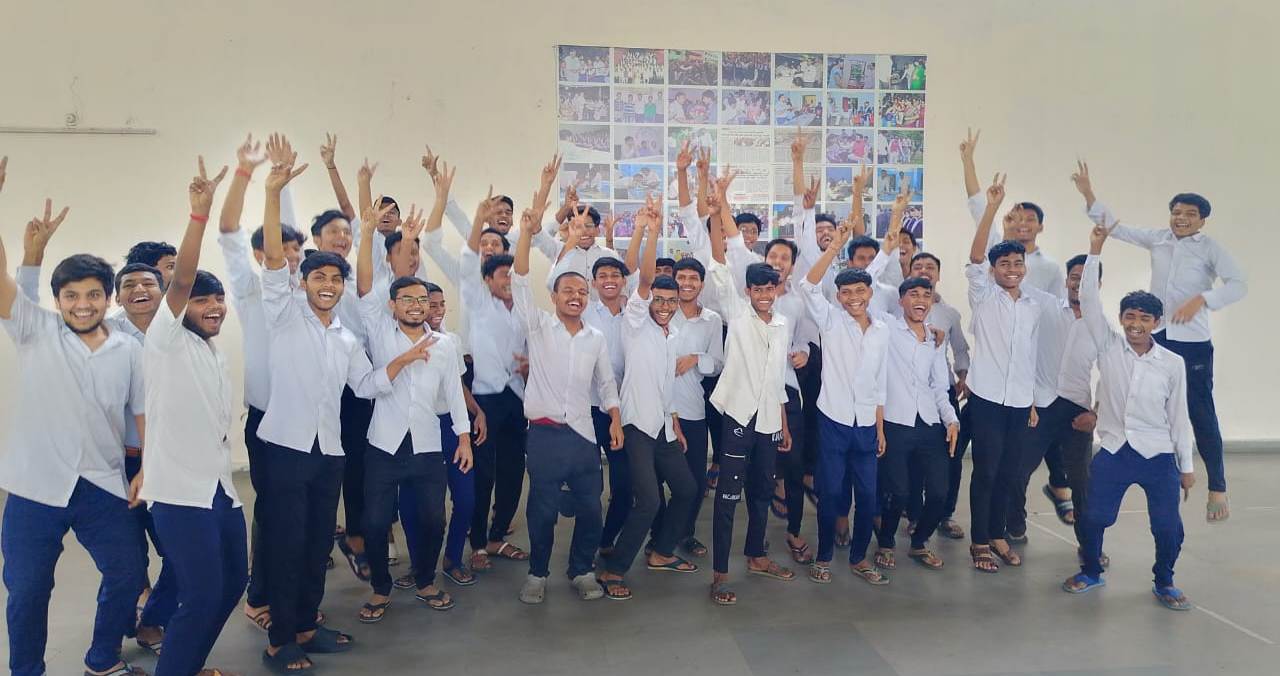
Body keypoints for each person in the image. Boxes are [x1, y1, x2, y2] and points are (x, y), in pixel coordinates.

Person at [254, 134, 405, 673]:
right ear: (302, 283)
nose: (328, 284)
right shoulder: (284, 314)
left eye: (334, 278)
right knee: (287, 544)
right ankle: (279, 641)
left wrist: (407, 360)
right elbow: (275, 262)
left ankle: (305, 625)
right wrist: (273, 193)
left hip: (329, 453)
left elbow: (366, 385)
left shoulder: (344, 336)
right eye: (317, 276)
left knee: (318, 541)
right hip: (286, 450)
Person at [1, 194, 149, 676]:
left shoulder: (128, 350)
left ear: (108, 298)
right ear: (58, 299)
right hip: (35, 487)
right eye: (71, 296)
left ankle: (102, 660)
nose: (82, 305)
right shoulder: (36, 331)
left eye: (92, 295)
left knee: (127, 574)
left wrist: (147, 467)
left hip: (101, 483)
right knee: (27, 589)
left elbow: (142, 411)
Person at [1073, 161, 1247, 522]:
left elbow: (1238, 284)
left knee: (1199, 411)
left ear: (1202, 221)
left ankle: (1217, 486)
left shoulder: (1210, 248)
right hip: (1160, 334)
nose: (1181, 218)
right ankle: (1135, 448)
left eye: (1190, 214)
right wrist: (1089, 193)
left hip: (1193, 341)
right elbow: (1116, 228)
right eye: (1176, 212)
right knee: (1137, 390)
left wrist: (1203, 299)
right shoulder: (1159, 238)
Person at [137, 157, 249, 676]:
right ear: (181, 307)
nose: (215, 307)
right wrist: (199, 216)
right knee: (201, 594)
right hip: (179, 495)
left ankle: (186, 665)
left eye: (219, 299)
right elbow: (180, 279)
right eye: (202, 300)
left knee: (232, 584)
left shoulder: (211, 351)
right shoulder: (166, 339)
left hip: (220, 490)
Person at [1062, 224, 1196, 612]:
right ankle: (1090, 570)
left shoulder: (1172, 363)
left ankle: (1165, 580)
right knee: (1093, 518)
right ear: (1121, 319)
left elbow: (1179, 416)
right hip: (1115, 451)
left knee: (1168, 527)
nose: (1136, 324)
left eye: (1144, 318)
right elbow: (1089, 300)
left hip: (1158, 455)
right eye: (1130, 316)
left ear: (1157, 322)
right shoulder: (1109, 347)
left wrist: (1186, 467)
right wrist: (1095, 249)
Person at [356, 193, 474, 621]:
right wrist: (379, 235)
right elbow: (366, 286)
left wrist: (463, 438)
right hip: (383, 445)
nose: (415, 305)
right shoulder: (379, 329)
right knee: (374, 522)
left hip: (427, 446)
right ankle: (380, 588)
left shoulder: (443, 344)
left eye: (422, 300)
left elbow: (454, 391)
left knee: (432, 521)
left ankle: (425, 580)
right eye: (406, 299)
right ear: (393, 305)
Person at [214, 133, 307, 632]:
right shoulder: (251, 288)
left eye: (296, 249)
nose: (290, 255)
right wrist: (248, 175)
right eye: (280, 248)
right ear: (261, 254)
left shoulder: (310, 292)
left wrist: (283, 185)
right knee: (271, 511)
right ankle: (259, 594)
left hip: (309, 419)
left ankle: (294, 592)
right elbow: (229, 229)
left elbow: (289, 232)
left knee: (300, 512)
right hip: (268, 417)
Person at [511, 201, 623, 605]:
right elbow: (519, 281)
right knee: (541, 511)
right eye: (568, 291)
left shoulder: (595, 337)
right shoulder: (539, 326)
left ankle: (582, 569)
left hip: (582, 434)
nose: (575, 297)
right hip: (544, 435)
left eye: (581, 292)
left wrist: (614, 417)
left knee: (591, 508)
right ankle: (537, 573)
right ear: (554, 296)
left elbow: (606, 382)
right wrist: (526, 236)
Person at [597, 196, 700, 599]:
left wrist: (674, 420)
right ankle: (614, 570)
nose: (665, 306)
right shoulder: (635, 322)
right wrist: (651, 230)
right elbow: (643, 278)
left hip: (663, 427)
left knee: (688, 490)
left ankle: (660, 552)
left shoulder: (672, 335)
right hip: (637, 426)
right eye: (659, 299)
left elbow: (664, 384)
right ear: (648, 300)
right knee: (649, 502)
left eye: (672, 301)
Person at [703, 169, 795, 606]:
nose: (763, 294)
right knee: (728, 498)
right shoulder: (736, 313)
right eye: (756, 288)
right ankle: (720, 574)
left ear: (777, 289)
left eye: (769, 288)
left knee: (761, 492)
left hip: (769, 421)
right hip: (738, 417)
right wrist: (717, 208)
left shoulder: (783, 322)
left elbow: (776, 378)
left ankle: (757, 556)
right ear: (748, 290)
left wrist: (783, 422)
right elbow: (721, 261)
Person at [964, 173, 1053, 573]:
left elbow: (1028, 356)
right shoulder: (984, 296)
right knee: (986, 471)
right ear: (994, 269)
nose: (1013, 269)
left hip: (1019, 402)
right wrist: (992, 208)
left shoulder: (1033, 304)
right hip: (986, 400)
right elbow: (976, 255)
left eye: (1018, 263)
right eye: (1005, 264)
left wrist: (1031, 400)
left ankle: (998, 534)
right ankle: (980, 541)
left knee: (1010, 473)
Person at [798, 199, 889, 586]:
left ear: (870, 293)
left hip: (866, 424)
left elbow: (880, 382)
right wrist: (835, 246)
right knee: (831, 494)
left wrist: (880, 427)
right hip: (833, 421)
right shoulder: (831, 320)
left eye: (860, 291)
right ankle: (823, 555)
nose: (854, 297)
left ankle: (859, 558)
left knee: (867, 497)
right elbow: (807, 285)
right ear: (838, 297)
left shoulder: (882, 330)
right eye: (846, 292)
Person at [874, 272, 960, 572]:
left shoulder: (935, 339)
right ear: (901, 301)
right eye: (913, 294)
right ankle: (886, 542)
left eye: (926, 295)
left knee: (938, 492)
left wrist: (951, 420)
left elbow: (939, 387)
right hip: (895, 421)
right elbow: (867, 290)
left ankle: (919, 542)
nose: (920, 300)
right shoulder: (886, 327)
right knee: (897, 493)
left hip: (930, 422)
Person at [961, 128, 1063, 296]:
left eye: (1030, 219)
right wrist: (967, 161)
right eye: (1019, 218)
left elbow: (1057, 305)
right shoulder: (994, 244)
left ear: (1040, 226)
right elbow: (977, 204)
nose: (1023, 223)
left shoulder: (1050, 267)